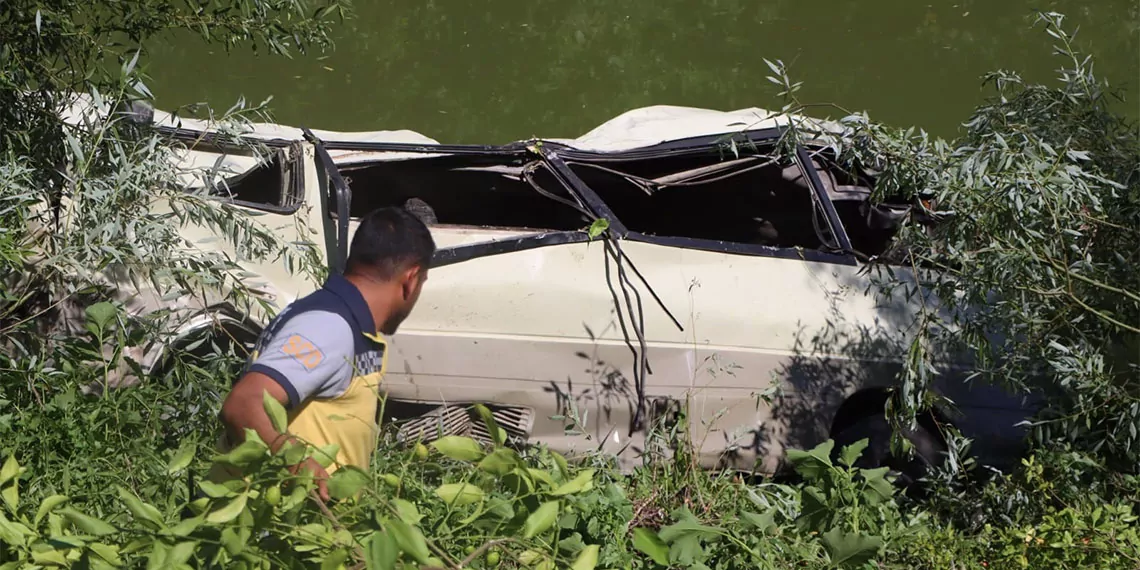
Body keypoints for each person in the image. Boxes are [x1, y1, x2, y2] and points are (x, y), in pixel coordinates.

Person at [217, 206, 435, 501]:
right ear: (411, 279)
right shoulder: (329, 327)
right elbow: (244, 404)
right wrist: (296, 461)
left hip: (306, 535)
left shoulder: (344, 323)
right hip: (264, 532)